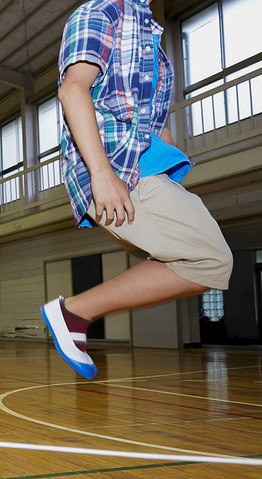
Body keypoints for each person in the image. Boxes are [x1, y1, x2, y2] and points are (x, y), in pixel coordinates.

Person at [43, 0, 233, 379]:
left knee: (198, 259)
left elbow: (154, 121)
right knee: (213, 261)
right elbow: (72, 91)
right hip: (115, 168)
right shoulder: (100, 13)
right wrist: (101, 174)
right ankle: (74, 312)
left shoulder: (150, 33)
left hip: (145, 166)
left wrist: (168, 172)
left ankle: (75, 313)